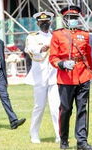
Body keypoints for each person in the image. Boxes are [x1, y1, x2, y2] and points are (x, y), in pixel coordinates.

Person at [49, 6, 92, 150]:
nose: (73, 20)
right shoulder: (57, 35)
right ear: (64, 19)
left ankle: (82, 141)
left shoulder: (85, 34)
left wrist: (91, 73)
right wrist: (61, 63)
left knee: (82, 109)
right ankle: (64, 140)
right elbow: (53, 57)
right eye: (70, 18)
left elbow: (88, 55)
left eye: (75, 18)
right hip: (66, 77)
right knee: (66, 109)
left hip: (83, 75)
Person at [24, 11, 60, 144]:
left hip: (54, 76)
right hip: (39, 77)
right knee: (39, 107)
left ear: (50, 22)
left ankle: (59, 134)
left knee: (56, 107)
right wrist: (41, 49)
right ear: (37, 23)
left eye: (46, 22)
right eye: (41, 22)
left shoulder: (55, 36)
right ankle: (34, 134)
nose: (44, 24)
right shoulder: (33, 37)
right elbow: (30, 49)